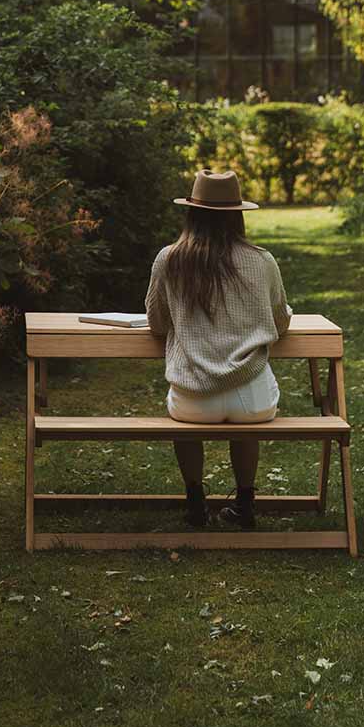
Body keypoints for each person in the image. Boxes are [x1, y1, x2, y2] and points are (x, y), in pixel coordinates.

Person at [145, 169, 292, 529]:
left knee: (184, 421)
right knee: (247, 422)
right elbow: (280, 322)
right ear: (237, 214)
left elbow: (157, 323)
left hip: (193, 397)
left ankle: (196, 503)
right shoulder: (263, 261)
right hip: (252, 398)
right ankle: (244, 505)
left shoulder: (169, 259)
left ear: (191, 213)